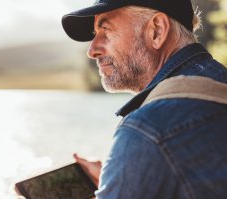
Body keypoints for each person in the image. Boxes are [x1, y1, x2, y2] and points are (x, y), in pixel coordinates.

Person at [62, 0, 227, 198]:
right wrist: (124, 176)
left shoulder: (148, 130)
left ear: (157, 30)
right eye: (94, 34)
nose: (92, 50)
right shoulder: (219, 82)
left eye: (105, 29)